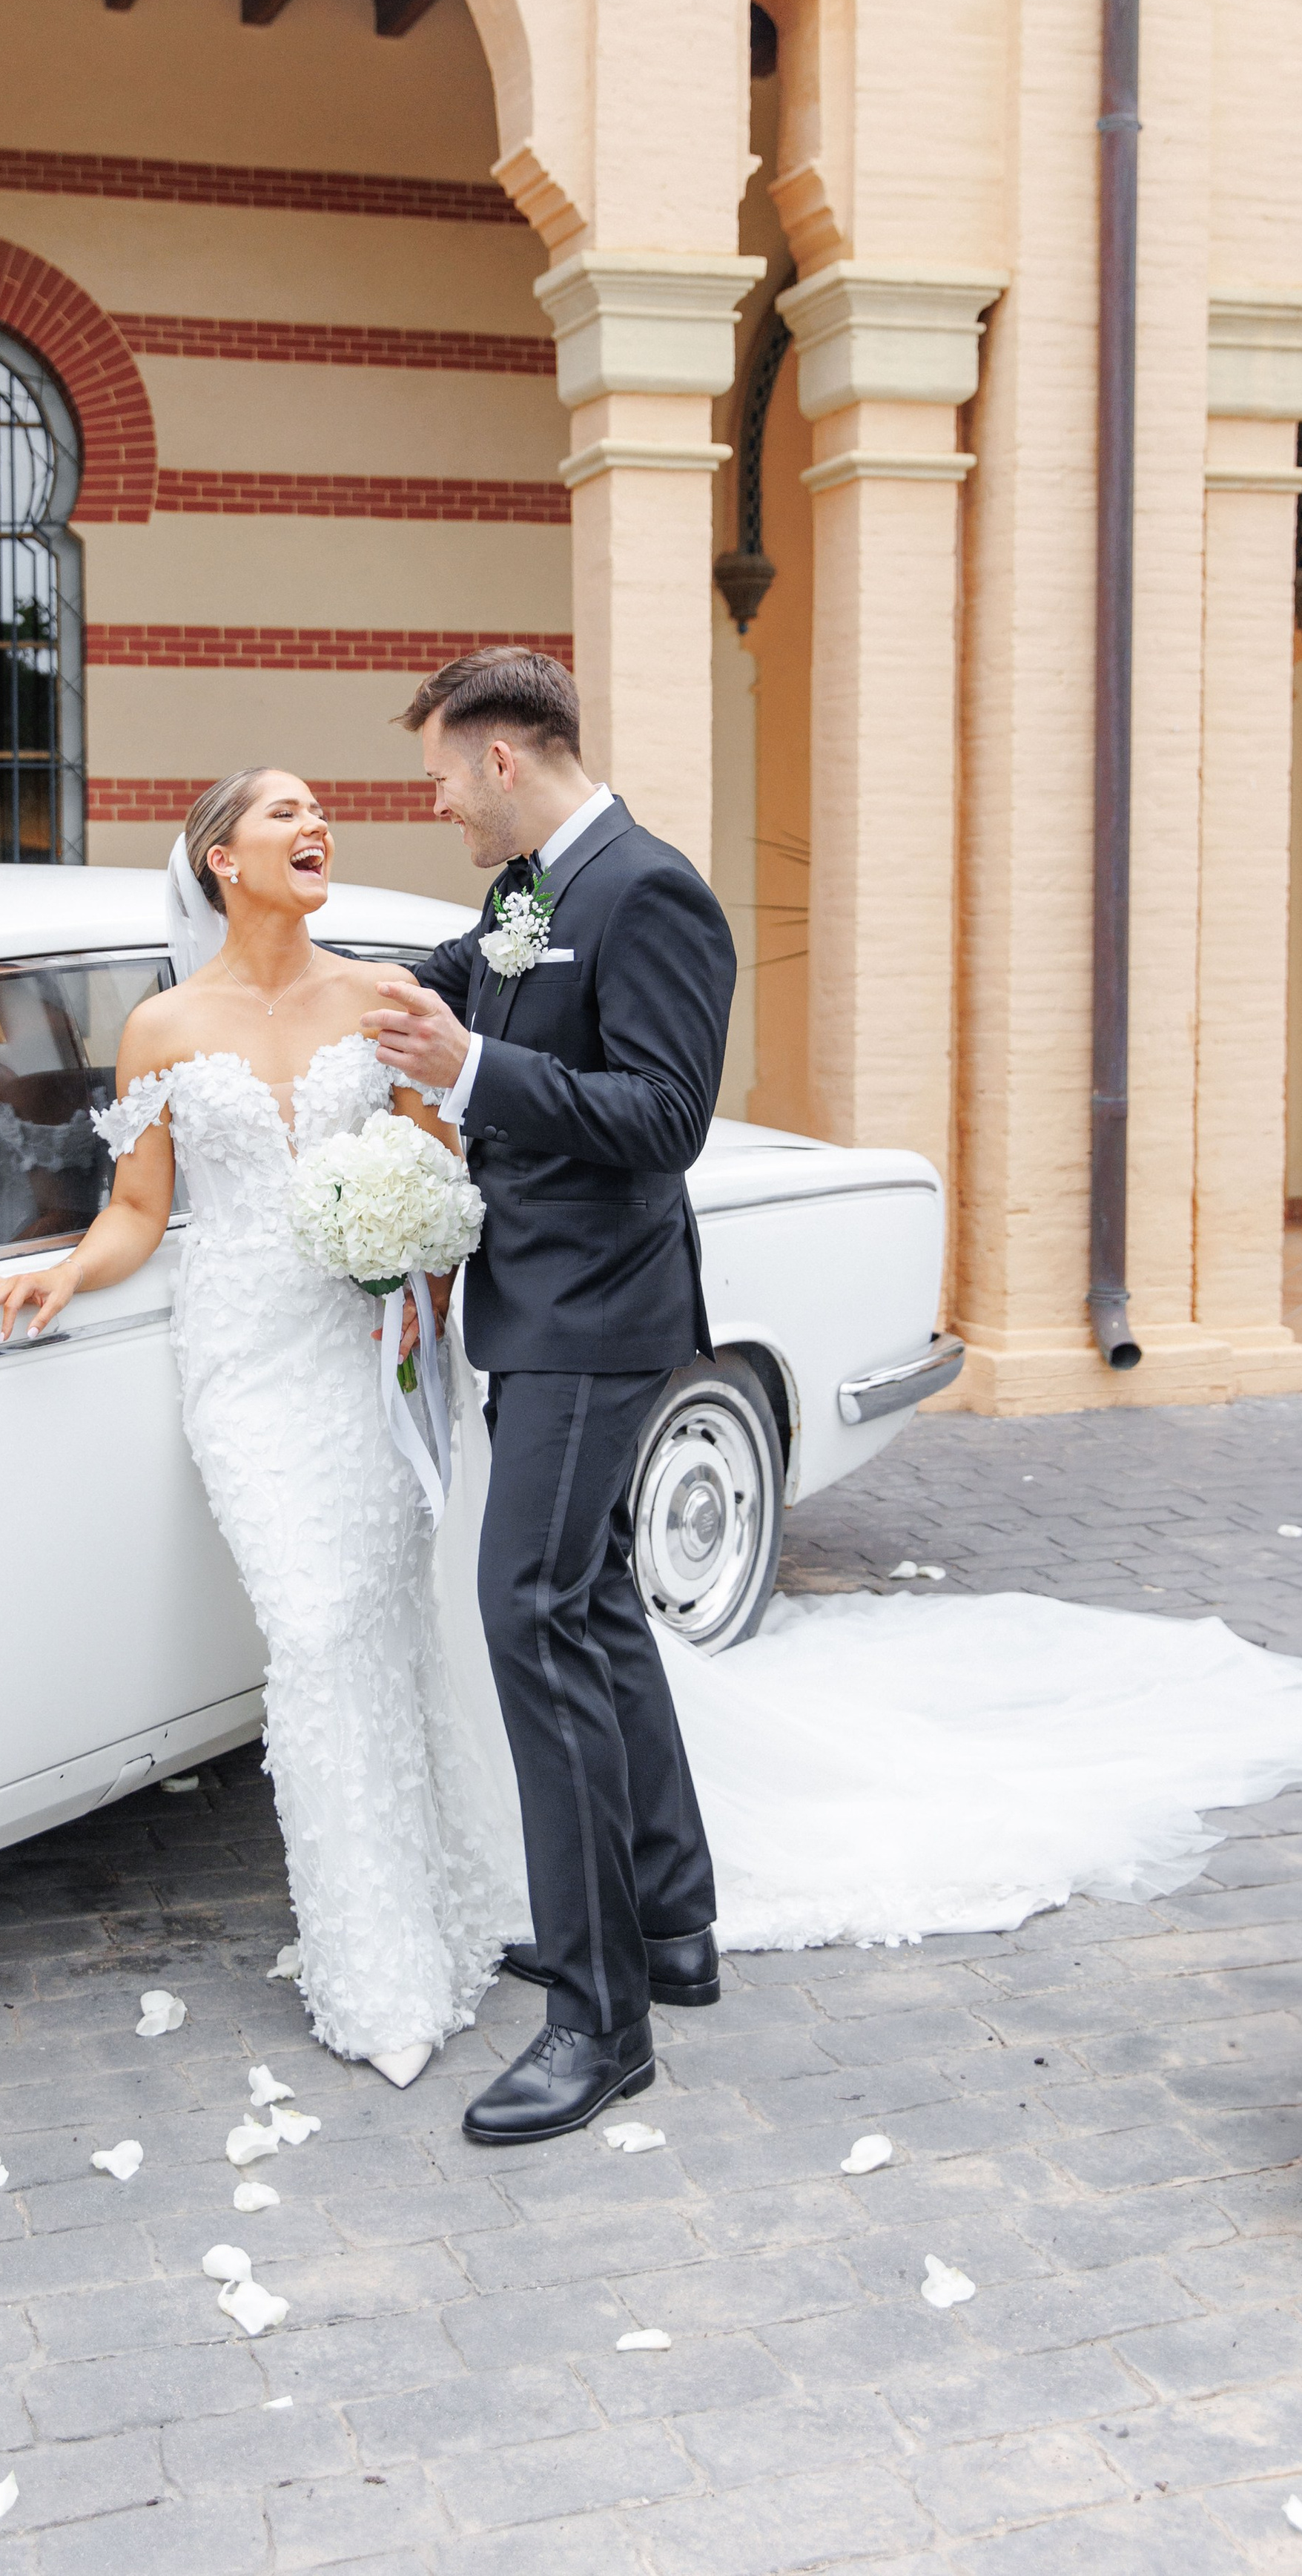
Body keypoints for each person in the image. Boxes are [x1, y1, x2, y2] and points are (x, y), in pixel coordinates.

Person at [0, 767, 526, 2089]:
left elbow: (439, 1171)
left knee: (377, 1629)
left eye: (322, 808)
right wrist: (64, 1270)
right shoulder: (160, 1026)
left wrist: (419, 1273)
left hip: (367, 1347)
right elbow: (141, 1211)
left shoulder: (387, 1003)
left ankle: (426, 1922)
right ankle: (373, 1968)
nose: (315, 822)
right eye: (283, 811)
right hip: (246, 1364)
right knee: (317, 1632)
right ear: (221, 858)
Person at [363, 648, 738, 2142]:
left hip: (593, 1312)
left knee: (526, 1612)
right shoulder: (528, 890)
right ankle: (666, 1923)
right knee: (584, 1607)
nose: (436, 800)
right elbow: (472, 976)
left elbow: (663, 1120)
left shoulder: (644, 891)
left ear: (503, 760)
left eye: (442, 774)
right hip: (541, 1304)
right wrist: (329, 983)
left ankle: (598, 2024)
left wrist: (465, 1072)